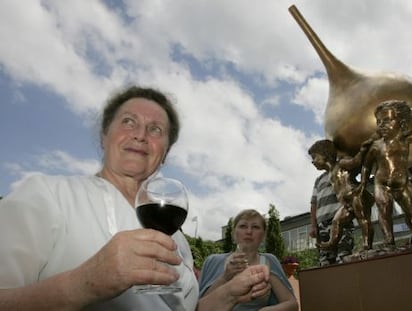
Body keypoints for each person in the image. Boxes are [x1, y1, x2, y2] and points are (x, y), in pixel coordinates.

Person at [0, 86, 269, 310]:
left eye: (156, 130)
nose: (140, 135)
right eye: (129, 122)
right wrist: (82, 284)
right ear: (104, 136)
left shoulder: (176, 239)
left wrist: (230, 293)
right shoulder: (46, 194)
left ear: (165, 153)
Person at [199, 209, 299, 311]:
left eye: (255, 227)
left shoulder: (269, 261)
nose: (249, 231)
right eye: (243, 226)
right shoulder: (213, 261)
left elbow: (292, 305)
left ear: (263, 235)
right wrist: (225, 277)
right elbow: (198, 306)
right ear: (233, 234)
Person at [350, 100, 412, 246]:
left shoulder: (404, 139)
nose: (382, 125)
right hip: (382, 184)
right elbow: (366, 166)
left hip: (403, 183)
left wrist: (409, 112)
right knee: (384, 213)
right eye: (379, 122)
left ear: (400, 122)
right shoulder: (376, 146)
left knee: (411, 211)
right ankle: (388, 241)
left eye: (387, 120)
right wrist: (363, 183)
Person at [308, 140, 354, 266]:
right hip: (322, 224)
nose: (312, 161)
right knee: (326, 260)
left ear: (325, 154)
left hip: (340, 220)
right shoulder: (319, 180)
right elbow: (313, 204)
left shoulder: (341, 170)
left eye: (314, 157)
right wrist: (313, 225)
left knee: (343, 255)